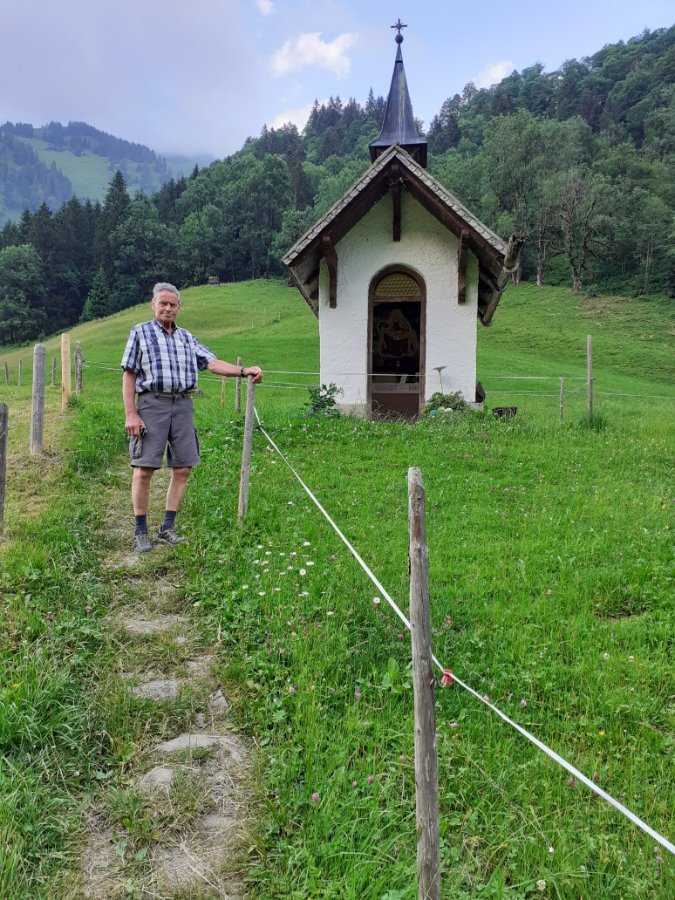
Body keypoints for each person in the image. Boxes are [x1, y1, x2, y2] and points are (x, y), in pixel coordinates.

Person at [121, 282, 263, 552]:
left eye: (172, 304)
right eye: (163, 303)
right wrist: (131, 413)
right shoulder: (140, 332)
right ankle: (140, 532)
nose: (168, 308)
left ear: (179, 308)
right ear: (153, 305)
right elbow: (129, 373)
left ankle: (167, 528)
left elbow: (212, 363)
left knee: (183, 467)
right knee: (144, 468)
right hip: (152, 403)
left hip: (183, 405)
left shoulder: (187, 337)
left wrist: (244, 370)